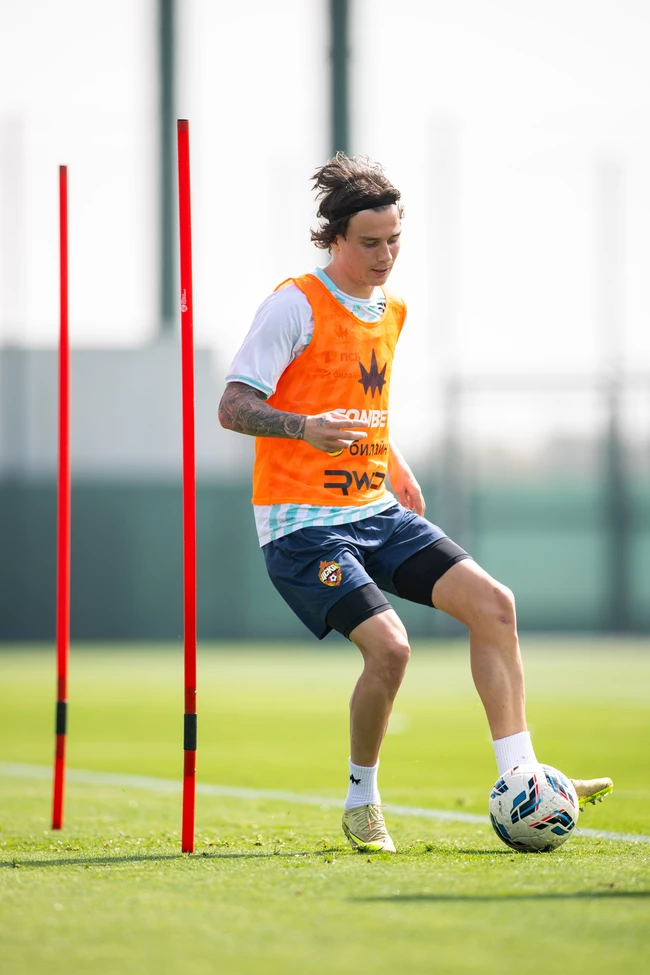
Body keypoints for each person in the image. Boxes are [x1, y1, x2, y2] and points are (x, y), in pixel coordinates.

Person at [218, 152, 613, 852]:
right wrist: (303, 428)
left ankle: (523, 776)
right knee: (391, 648)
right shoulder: (293, 304)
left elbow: (361, 400)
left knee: (495, 605)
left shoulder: (391, 309)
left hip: (376, 509)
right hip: (303, 527)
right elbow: (233, 405)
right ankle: (361, 801)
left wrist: (393, 463)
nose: (385, 255)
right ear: (333, 238)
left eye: (394, 240)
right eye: (370, 242)